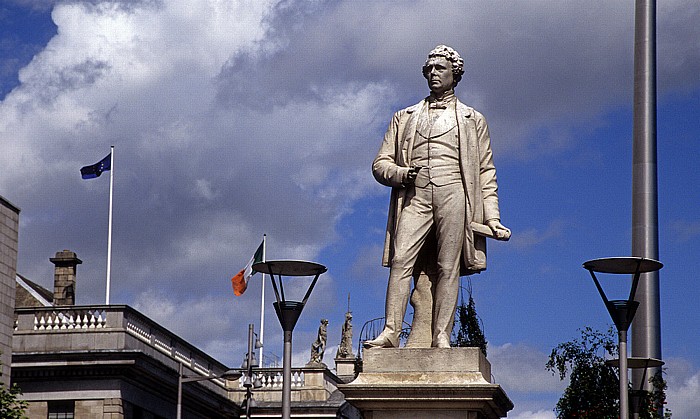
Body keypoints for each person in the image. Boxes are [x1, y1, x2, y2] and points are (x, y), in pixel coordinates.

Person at [365, 45, 510, 349]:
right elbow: (380, 164)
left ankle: (441, 334)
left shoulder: (473, 119)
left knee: (448, 266)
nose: (432, 73)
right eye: (428, 68)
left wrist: (492, 218)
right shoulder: (403, 117)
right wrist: (402, 174)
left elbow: (486, 172)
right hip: (415, 194)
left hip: (454, 192)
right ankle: (392, 330)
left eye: (439, 68)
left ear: (454, 74)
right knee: (401, 259)